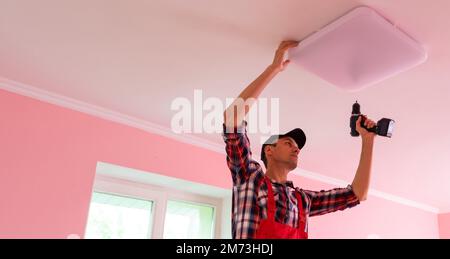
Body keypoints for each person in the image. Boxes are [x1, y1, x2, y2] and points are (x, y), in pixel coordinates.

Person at [222, 40, 376, 239]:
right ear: (269, 150)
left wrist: (368, 139)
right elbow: (231, 120)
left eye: (297, 147)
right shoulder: (250, 178)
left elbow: (358, 194)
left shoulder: (303, 200)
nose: (296, 149)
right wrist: (273, 69)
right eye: (288, 143)